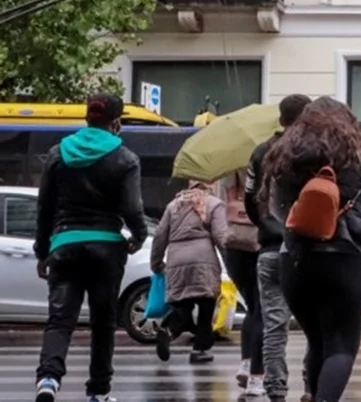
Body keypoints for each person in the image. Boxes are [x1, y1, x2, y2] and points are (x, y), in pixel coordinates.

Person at [261, 97, 361, 402]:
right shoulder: (358, 155)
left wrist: (304, 216)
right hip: (345, 256)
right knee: (341, 346)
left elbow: (276, 210)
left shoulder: (284, 153)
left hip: (295, 258)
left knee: (317, 341)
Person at [33, 93, 148, 402]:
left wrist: (42, 251)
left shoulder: (58, 153)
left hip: (64, 245)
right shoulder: (125, 158)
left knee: (60, 319)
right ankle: (98, 391)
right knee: (103, 322)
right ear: (117, 123)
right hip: (106, 249)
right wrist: (138, 236)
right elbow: (133, 208)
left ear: (87, 118)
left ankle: (48, 379)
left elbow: (45, 208)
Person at [244, 94, 311, 402]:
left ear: (281, 119)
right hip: (306, 248)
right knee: (314, 325)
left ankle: (276, 390)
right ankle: (311, 387)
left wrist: (265, 224)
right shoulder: (313, 151)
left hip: (271, 247)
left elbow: (250, 198)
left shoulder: (261, 152)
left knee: (274, 326)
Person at [150, 181, 230, 364]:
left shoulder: (173, 205)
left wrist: (156, 263)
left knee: (182, 304)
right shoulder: (214, 204)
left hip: (176, 259)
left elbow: (160, 235)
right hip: (204, 260)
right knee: (206, 305)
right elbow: (221, 236)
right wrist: (231, 264)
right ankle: (200, 349)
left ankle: (169, 330)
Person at [221, 171, 266, 397]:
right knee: (261, 310)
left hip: (235, 244)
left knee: (251, 307)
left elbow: (227, 196)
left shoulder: (231, 167)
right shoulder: (269, 161)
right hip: (260, 242)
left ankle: (246, 363)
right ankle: (256, 377)